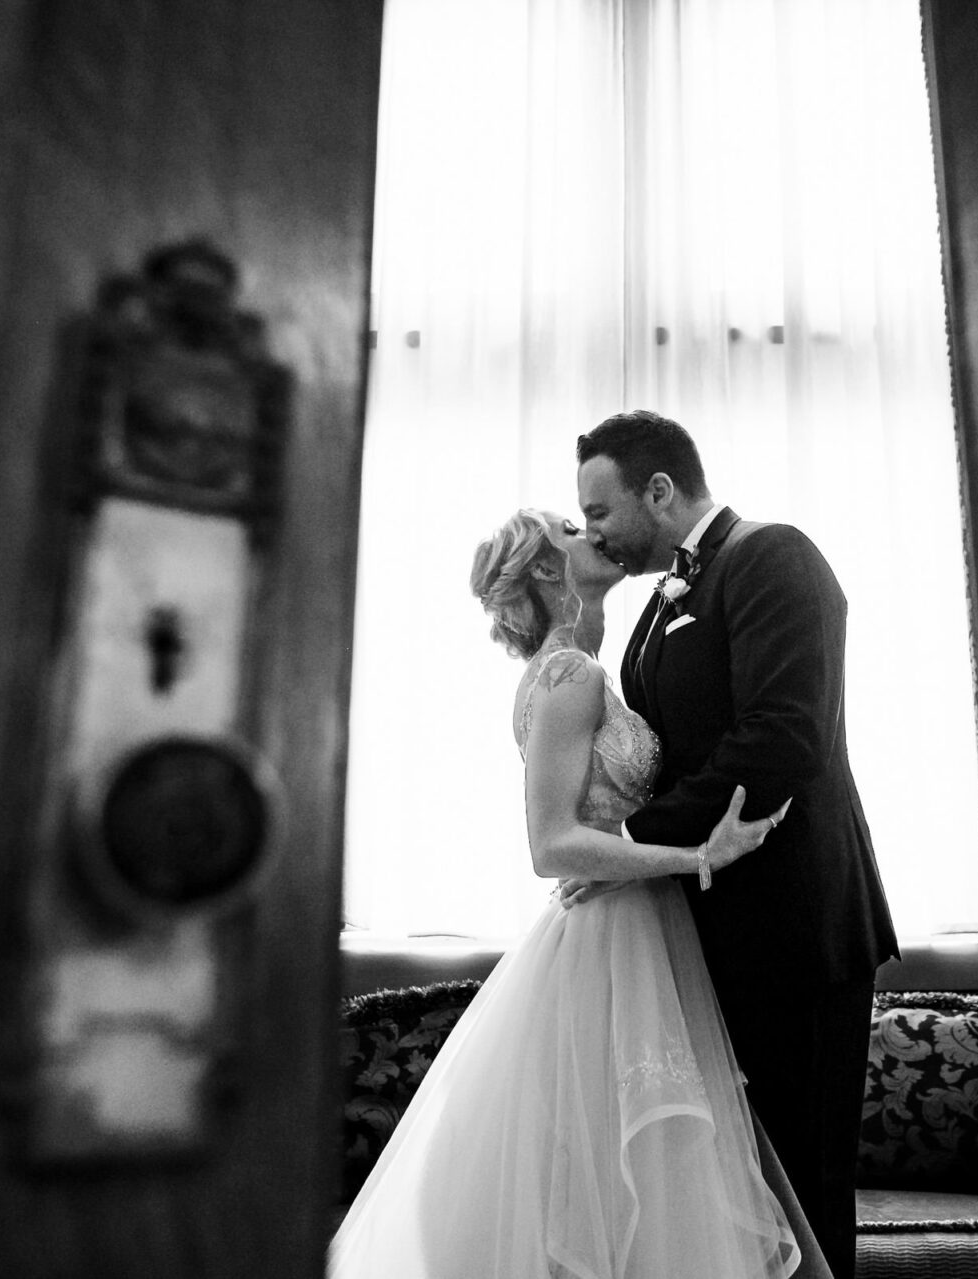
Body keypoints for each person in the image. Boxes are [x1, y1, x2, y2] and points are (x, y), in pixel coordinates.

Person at [327, 508, 828, 1279]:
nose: (587, 528)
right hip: (612, 938)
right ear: (545, 569)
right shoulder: (570, 676)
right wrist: (698, 851)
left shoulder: (596, 666)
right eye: (567, 525)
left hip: (643, 928)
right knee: (621, 1167)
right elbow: (551, 846)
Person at [574, 410, 899, 1279]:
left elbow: (782, 736)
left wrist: (629, 840)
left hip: (795, 927)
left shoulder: (773, 556)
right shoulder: (661, 597)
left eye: (600, 510)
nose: (592, 530)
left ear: (659, 489)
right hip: (708, 929)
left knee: (803, 1180)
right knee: (738, 1195)